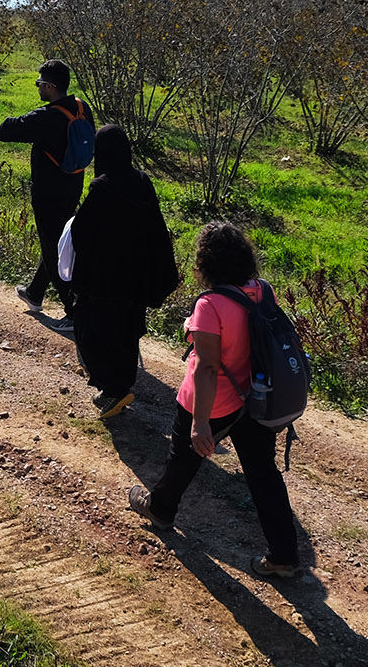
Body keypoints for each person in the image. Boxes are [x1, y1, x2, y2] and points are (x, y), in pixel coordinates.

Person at [127, 222, 302, 580]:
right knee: (262, 474)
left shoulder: (210, 304)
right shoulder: (262, 291)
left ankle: (160, 509)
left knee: (183, 456)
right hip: (256, 398)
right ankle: (283, 554)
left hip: (215, 401)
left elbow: (207, 368)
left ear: (206, 264)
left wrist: (201, 421)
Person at [66, 125, 180, 418]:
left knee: (90, 330)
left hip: (104, 280)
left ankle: (112, 389)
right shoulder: (142, 182)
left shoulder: (102, 189)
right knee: (126, 333)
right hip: (136, 279)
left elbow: (81, 233)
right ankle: (119, 388)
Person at [0, 59, 94, 332]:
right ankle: (35, 292)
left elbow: (3, 131)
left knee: (52, 247)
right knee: (58, 242)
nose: (37, 87)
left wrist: (33, 116)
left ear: (50, 87)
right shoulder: (83, 108)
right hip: (74, 184)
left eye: (39, 84)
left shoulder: (45, 118)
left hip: (48, 192)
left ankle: (73, 311)